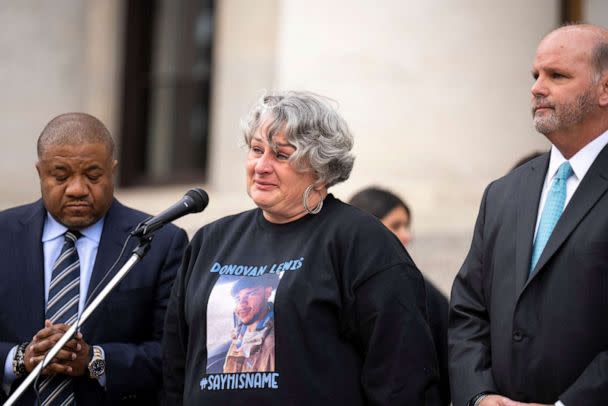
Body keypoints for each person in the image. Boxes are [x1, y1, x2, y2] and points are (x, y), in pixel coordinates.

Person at [162, 91, 440, 405]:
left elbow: (401, 374)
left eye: (281, 155)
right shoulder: (210, 241)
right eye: (256, 150)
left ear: (321, 169)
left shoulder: (362, 242)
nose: (262, 166)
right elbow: (174, 367)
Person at [449, 24, 608, 406]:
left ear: (605, 89)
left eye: (557, 76)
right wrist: (480, 395)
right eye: (535, 75)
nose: (537, 88)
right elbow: (468, 311)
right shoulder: (503, 193)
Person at [0, 113, 188, 405]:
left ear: (112, 171)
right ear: (40, 173)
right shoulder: (3, 235)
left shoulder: (160, 242)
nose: (77, 189)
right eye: (61, 175)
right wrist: (20, 358)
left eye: (92, 175)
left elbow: (174, 355)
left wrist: (94, 360)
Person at [349, 186, 451, 406]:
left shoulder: (424, 293)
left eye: (407, 226)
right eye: (396, 226)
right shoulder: (333, 285)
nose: (407, 235)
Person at [223, 273, 278, 373]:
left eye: (250, 294)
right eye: (238, 298)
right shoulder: (238, 332)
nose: (241, 304)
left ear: (267, 292)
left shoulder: (273, 344)